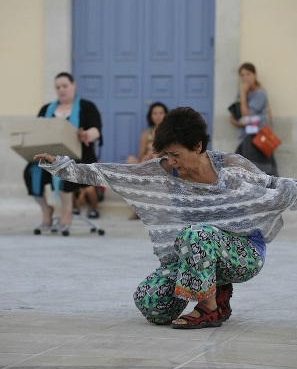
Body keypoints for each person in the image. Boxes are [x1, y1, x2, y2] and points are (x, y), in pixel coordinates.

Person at [33, 107, 297, 329]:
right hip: (191, 254)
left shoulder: (231, 166)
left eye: (177, 155)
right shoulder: (158, 173)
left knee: (196, 233)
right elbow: (107, 174)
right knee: (151, 303)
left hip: (243, 254)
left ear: (198, 146)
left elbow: (275, 185)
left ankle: (209, 309)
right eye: (167, 155)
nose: (171, 162)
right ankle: (216, 291)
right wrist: (61, 165)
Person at [24, 72, 102, 235]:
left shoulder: (87, 107)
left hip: (79, 157)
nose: (61, 90)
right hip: (49, 157)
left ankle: (66, 212)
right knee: (31, 172)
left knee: (65, 169)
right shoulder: (46, 109)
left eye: (64, 86)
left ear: (74, 85)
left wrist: (87, 135)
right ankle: (47, 212)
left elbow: (96, 130)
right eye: (58, 87)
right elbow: (37, 132)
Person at [229, 62, 278, 175]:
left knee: (260, 173)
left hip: (258, 139)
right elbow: (232, 117)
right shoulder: (240, 94)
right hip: (245, 139)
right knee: (242, 173)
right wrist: (241, 122)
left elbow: (246, 115)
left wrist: (243, 94)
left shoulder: (260, 93)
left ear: (254, 75)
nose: (245, 77)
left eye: (248, 74)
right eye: (242, 75)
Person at [126, 101, 168, 219]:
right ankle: (139, 207)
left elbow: (171, 150)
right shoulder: (146, 133)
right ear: (150, 116)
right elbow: (141, 154)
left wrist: (157, 155)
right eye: (155, 113)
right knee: (130, 160)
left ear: (166, 115)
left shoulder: (170, 132)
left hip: (163, 162)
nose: (158, 116)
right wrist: (144, 157)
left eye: (161, 113)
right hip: (147, 161)